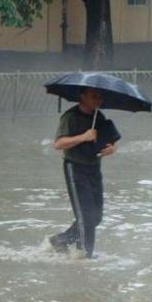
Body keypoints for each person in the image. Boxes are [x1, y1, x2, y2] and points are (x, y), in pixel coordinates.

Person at [49, 88, 117, 258]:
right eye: (94, 96)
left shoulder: (98, 116)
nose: (98, 99)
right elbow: (58, 144)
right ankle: (84, 256)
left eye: (100, 96)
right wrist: (83, 137)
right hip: (75, 168)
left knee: (96, 217)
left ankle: (61, 240)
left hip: (94, 168)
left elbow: (104, 141)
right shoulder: (70, 117)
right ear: (82, 97)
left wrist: (111, 148)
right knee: (86, 217)